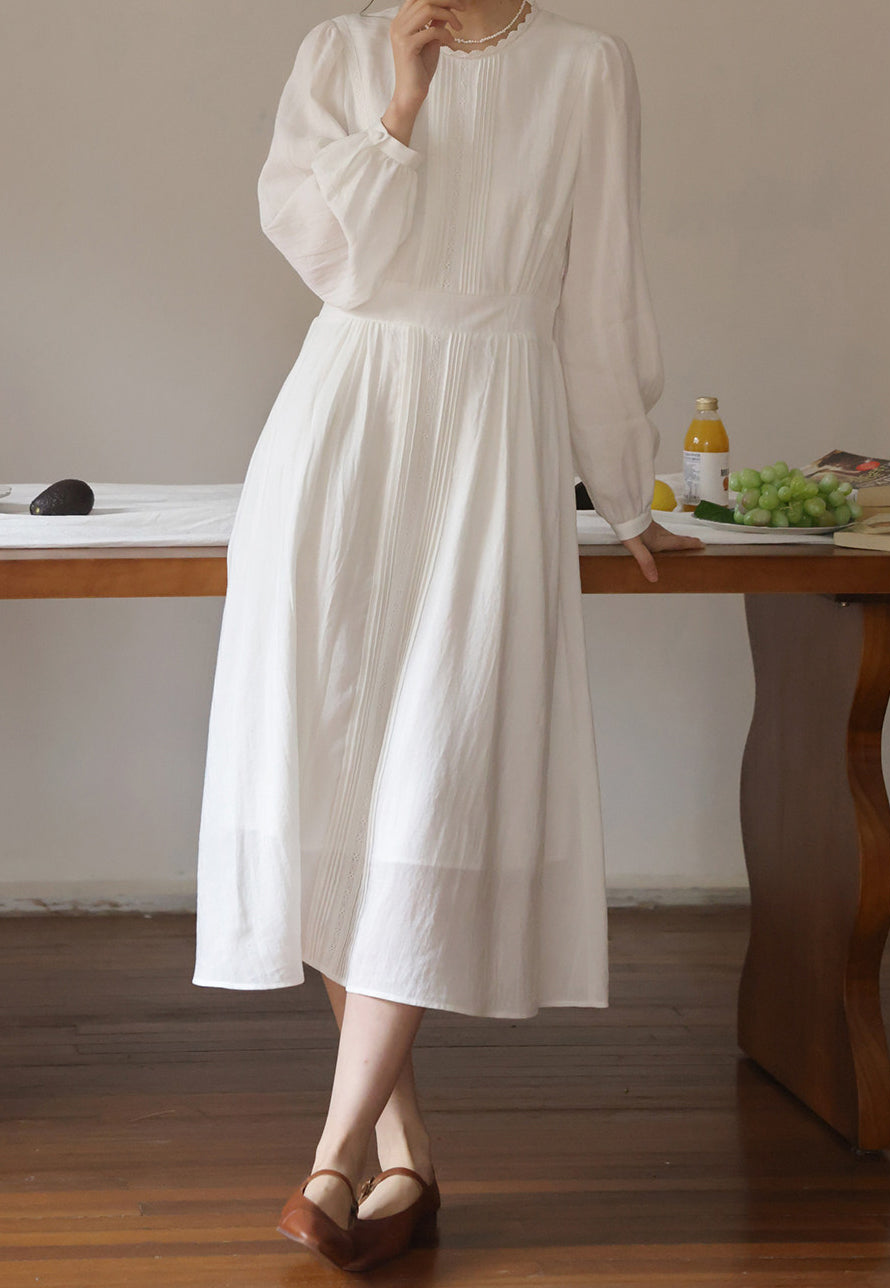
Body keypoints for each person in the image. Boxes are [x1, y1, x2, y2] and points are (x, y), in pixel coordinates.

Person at [191, 0, 702, 1272]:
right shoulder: (342, 51)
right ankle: (401, 1153)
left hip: (492, 435)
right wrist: (400, 109)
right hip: (339, 432)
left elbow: (599, 289)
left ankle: (332, 1154)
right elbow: (330, 257)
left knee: (434, 783)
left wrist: (624, 490)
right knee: (337, 788)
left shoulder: (586, 69)